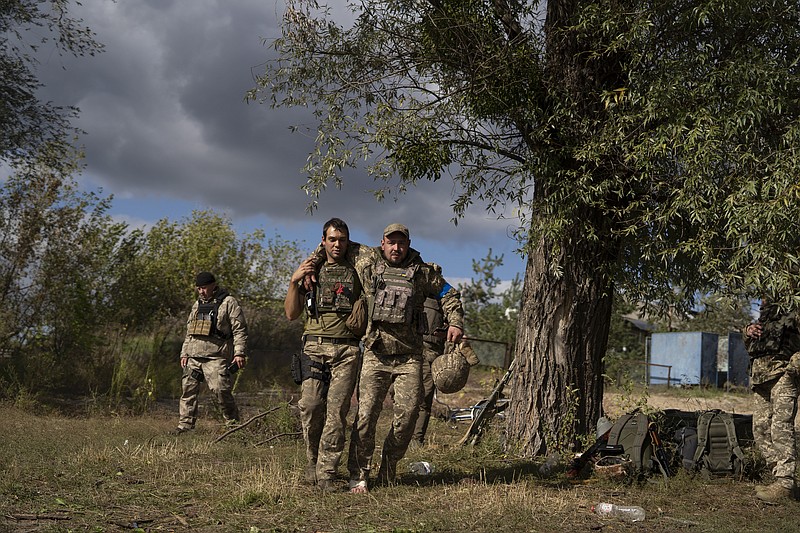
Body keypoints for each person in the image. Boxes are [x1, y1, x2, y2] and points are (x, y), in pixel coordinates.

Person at [339, 223, 465, 493]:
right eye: (391, 242)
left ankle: (388, 468)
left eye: (401, 243)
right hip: (376, 353)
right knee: (366, 416)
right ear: (382, 242)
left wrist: (455, 322)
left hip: (409, 358)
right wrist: (310, 267)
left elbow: (449, 293)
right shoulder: (366, 260)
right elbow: (333, 243)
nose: (396, 248)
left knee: (407, 417)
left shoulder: (421, 272)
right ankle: (359, 474)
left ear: (408, 244)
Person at [285, 218, 363, 491]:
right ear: (323, 241)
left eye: (342, 239)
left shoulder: (358, 270)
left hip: (346, 349)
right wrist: (294, 281)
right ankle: (313, 461)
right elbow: (292, 314)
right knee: (311, 405)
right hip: (314, 347)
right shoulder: (311, 269)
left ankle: (327, 473)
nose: (337, 244)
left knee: (336, 412)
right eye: (332, 239)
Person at [175, 272, 248, 433]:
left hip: (216, 356)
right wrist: (184, 353)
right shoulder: (197, 305)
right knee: (188, 391)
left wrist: (239, 353)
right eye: (199, 288)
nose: (201, 291)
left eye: (204, 288)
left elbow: (239, 330)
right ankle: (185, 426)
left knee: (221, 390)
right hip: (193, 355)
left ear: (213, 285)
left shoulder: (229, 302)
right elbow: (190, 332)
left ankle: (233, 425)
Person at [743, 299, 800, 502]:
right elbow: (752, 344)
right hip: (760, 377)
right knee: (760, 429)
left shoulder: (794, 307)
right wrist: (748, 330)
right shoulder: (766, 315)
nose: (763, 300)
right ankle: (781, 479)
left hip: (783, 375)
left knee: (780, 429)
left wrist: (793, 366)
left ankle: (785, 482)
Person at [412, 294, 446, 446]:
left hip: (429, 351)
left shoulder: (443, 293)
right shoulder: (411, 285)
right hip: (408, 349)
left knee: (424, 398)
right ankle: (400, 436)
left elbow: (453, 325)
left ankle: (416, 440)